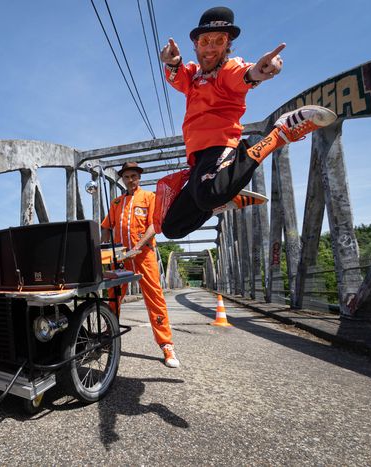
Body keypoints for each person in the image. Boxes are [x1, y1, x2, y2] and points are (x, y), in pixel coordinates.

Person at [156, 6, 337, 238]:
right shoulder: (194, 75)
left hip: (220, 147)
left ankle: (278, 134)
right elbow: (178, 78)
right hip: (199, 158)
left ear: (227, 45)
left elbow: (244, 74)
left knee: (208, 195)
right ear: (196, 45)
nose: (211, 47)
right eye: (205, 41)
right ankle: (225, 196)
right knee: (172, 228)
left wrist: (257, 72)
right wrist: (173, 62)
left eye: (219, 41)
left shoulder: (228, 70)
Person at [101, 162, 180, 369]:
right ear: (122, 179)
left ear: (139, 177)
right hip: (121, 257)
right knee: (113, 297)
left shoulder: (150, 198)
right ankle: (109, 336)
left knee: (155, 298)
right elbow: (106, 227)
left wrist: (138, 245)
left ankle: (166, 345)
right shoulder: (116, 202)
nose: (130, 180)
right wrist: (105, 250)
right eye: (126, 177)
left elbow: (154, 225)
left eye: (134, 176)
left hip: (144, 254)